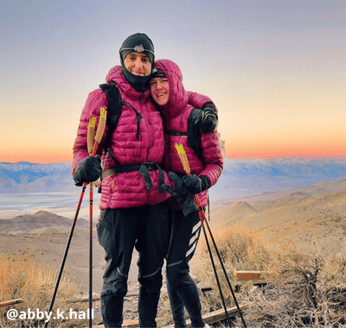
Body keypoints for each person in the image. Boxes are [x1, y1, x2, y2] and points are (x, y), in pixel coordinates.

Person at [72, 33, 218, 328]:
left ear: (151, 63)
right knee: (116, 280)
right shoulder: (104, 97)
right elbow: (81, 147)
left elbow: (183, 95)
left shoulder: (155, 98)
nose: (139, 65)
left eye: (145, 59)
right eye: (132, 58)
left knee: (152, 276)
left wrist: (209, 108)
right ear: (122, 60)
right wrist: (81, 168)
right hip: (120, 201)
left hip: (156, 201)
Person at [150, 59, 223, 328]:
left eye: (164, 81)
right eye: (153, 82)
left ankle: (197, 323)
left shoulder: (196, 118)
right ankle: (180, 324)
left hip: (191, 205)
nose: (158, 88)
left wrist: (202, 181)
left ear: (175, 83)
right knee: (171, 269)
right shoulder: (154, 115)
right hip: (164, 203)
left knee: (177, 268)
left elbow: (216, 163)